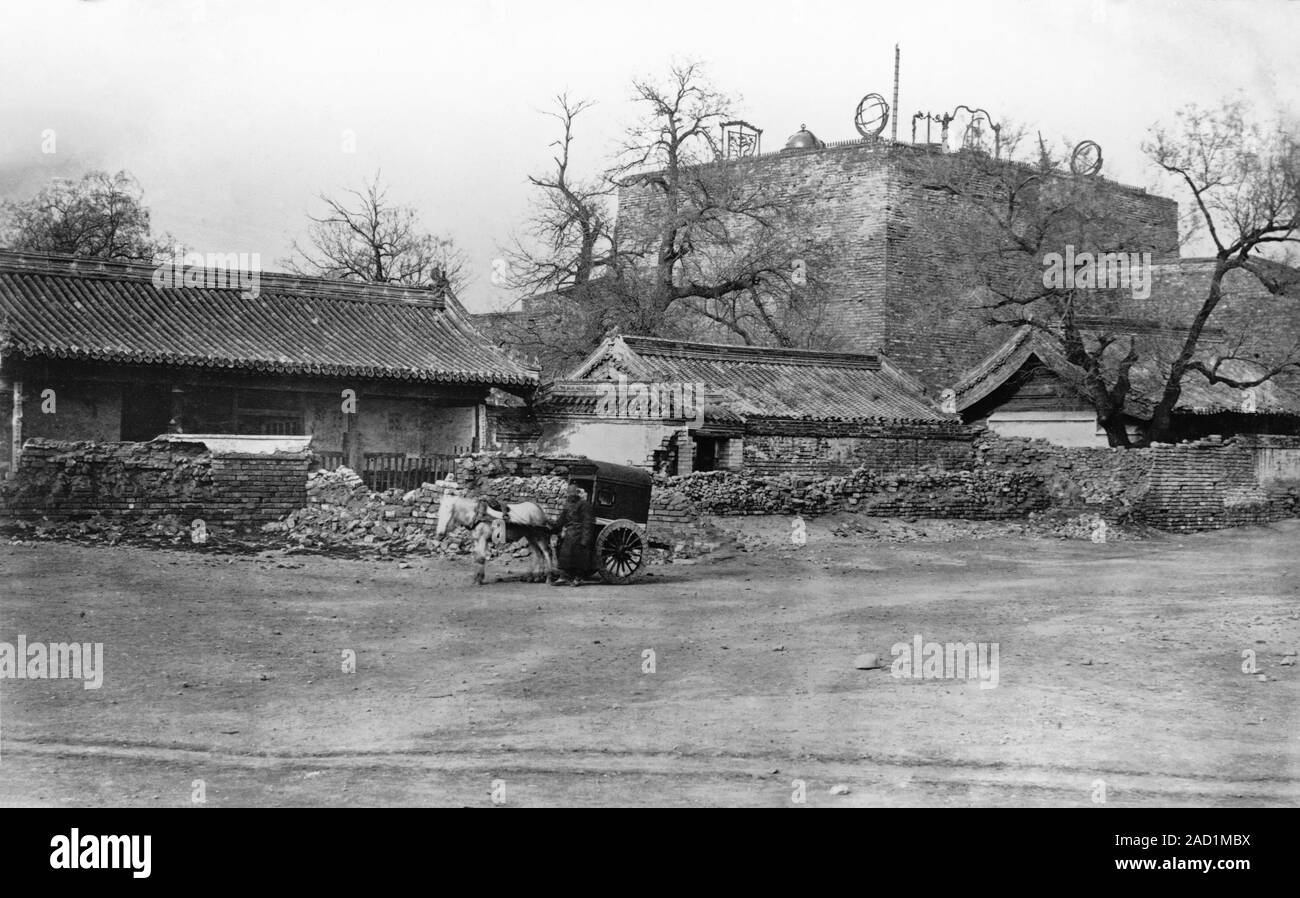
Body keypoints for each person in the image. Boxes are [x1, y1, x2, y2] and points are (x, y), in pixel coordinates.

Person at [551, 483, 595, 586]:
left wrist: (585, 539)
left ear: (577, 494)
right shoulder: (568, 504)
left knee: (579, 556)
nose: (571, 496)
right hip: (570, 533)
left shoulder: (584, 504)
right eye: (569, 494)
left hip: (580, 533)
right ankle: (564, 576)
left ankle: (578, 578)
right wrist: (553, 526)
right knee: (563, 552)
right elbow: (562, 519)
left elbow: (587, 523)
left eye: (573, 494)